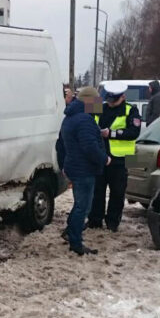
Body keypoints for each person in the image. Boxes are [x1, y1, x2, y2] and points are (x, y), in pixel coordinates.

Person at [58, 86, 108, 256]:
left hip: (73, 166)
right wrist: (104, 158)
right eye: (96, 101)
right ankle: (75, 242)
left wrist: (63, 165)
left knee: (80, 205)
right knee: (83, 207)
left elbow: (61, 145)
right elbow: (90, 147)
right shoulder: (84, 120)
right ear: (89, 101)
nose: (99, 104)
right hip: (83, 170)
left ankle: (70, 232)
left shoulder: (69, 118)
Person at [88, 81, 141, 232]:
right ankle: (94, 221)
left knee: (117, 194)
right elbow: (83, 117)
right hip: (99, 158)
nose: (110, 103)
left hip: (121, 160)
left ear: (123, 97)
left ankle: (112, 223)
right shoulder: (99, 105)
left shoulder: (131, 110)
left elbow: (134, 133)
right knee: (97, 192)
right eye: (109, 99)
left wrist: (110, 133)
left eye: (114, 100)